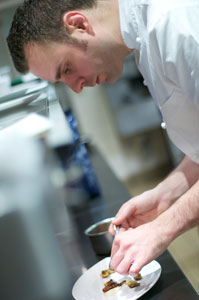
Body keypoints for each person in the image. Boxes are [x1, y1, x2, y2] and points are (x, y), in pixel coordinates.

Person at [7, 0, 199, 275]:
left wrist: (164, 227)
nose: (76, 88)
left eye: (67, 69)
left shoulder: (174, 23)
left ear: (78, 25)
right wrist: (164, 195)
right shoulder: (142, 42)